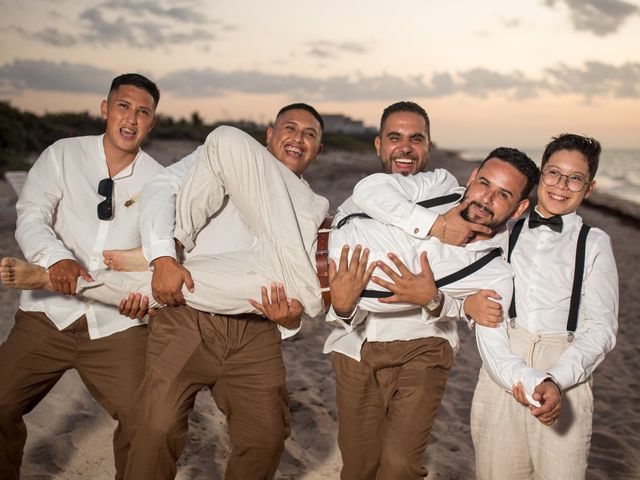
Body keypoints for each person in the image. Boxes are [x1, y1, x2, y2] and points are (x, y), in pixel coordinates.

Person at [323, 141, 559, 479]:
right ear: (472, 177)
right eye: (484, 184)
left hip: (420, 346)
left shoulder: (494, 273)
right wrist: (437, 226)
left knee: (400, 466)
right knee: (358, 464)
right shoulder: (439, 185)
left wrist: (534, 381)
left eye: (503, 195)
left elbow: (497, 351)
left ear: (520, 208)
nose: (486, 199)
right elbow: (369, 189)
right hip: (312, 266)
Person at [0, 73, 163, 480]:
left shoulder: (161, 181)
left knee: (148, 424)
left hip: (118, 326)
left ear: (152, 122)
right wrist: (54, 259)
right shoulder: (63, 154)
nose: (131, 118)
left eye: (143, 112)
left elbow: (160, 254)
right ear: (105, 109)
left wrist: (144, 296)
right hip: (46, 314)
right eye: (123, 106)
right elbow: (31, 213)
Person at [466, 134, 618, 480]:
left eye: (574, 178)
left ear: (589, 187)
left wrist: (558, 379)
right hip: (504, 362)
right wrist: (469, 307)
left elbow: (601, 329)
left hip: (565, 369)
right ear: (540, 176)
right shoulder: (505, 231)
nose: (561, 185)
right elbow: (473, 289)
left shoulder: (594, 244)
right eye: (553, 173)